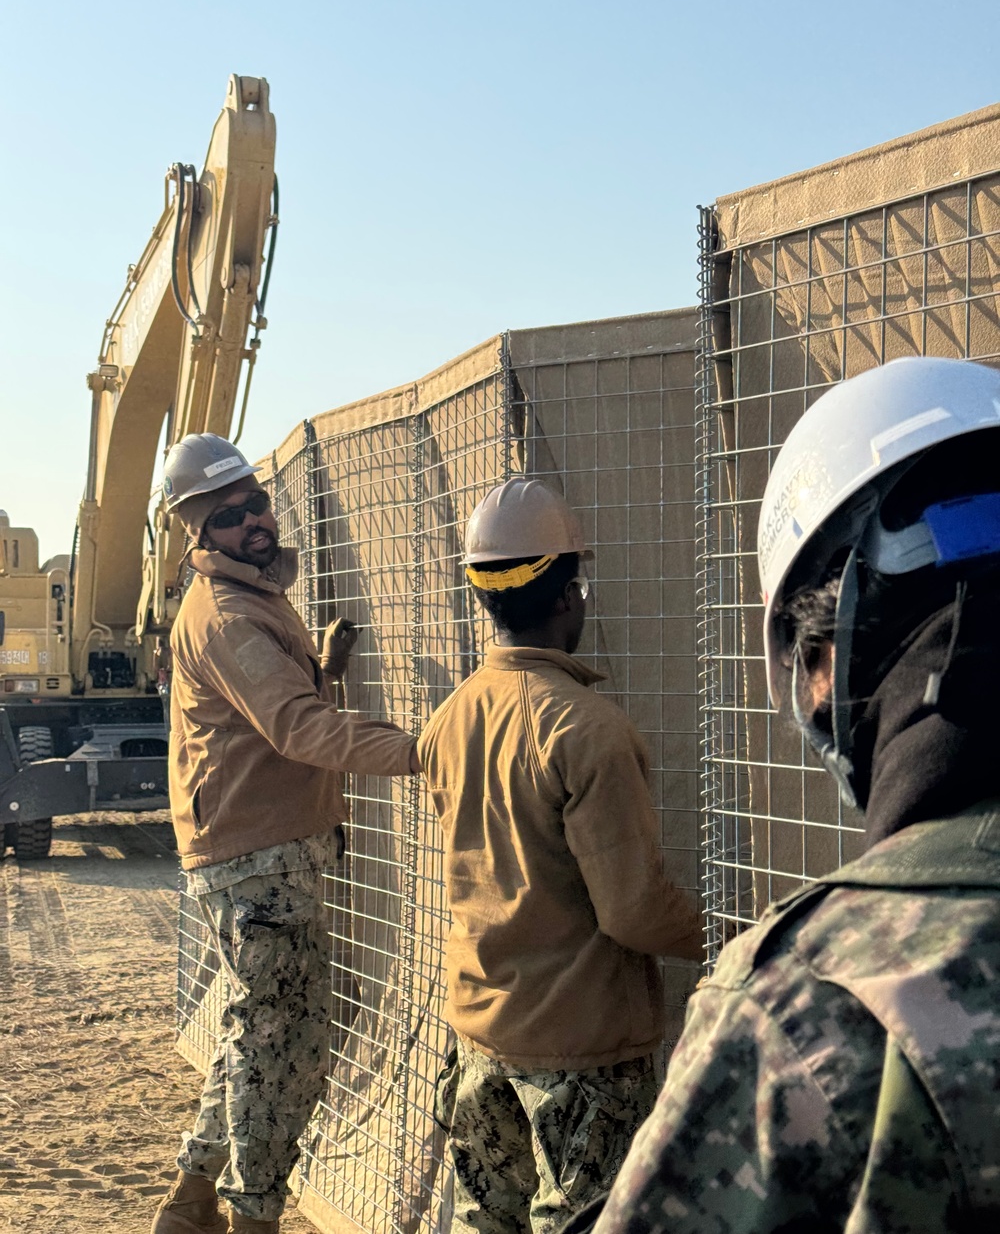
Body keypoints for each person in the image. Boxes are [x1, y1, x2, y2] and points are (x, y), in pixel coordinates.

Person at [576, 356, 1000, 1233]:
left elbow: (625, 909)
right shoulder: (585, 728)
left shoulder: (802, 1013)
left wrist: (729, 947)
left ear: (820, 663)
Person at [418, 476, 701, 1234]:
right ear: (570, 596)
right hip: (581, 1051)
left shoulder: (449, 719)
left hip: (479, 1034)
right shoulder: (587, 729)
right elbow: (634, 911)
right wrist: (731, 938)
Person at [151, 433, 419, 1234]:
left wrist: (321, 668)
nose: (254, 521)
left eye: (257, 502)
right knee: (284, 1045)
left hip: (254, 848)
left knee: (255, 1027)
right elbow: (298, 729)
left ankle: (190, 1204)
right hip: (255, 858)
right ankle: (254, 1217)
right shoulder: (230, 612)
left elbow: (267, 710)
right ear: (197, 533)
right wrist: (424, 749)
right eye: (229, 516)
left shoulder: (253, 596)